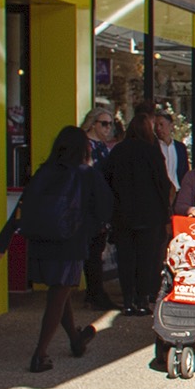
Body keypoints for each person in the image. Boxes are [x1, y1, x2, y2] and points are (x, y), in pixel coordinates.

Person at [0, 124, 113, 371]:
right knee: (58, 296)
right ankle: (40, 354)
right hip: (70, 243)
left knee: (60, 293)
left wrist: (2, 242)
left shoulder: (43, 172)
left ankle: (76, 340)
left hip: (40, 243)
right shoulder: (86, 174)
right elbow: (105, 207)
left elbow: (22, 208)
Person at [106, 107, 175, 314]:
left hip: (123, 215)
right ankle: (143, 300)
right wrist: (166, 212)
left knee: (126, 259)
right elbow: (162, 183)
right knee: (146, 259)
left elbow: (108, 181)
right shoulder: (152, 151)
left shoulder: (118, 151)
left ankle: (128, 300)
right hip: (149, 215)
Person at [81, 104, 122, 311]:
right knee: (92, 250)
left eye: (111, 124)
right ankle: (94, 293)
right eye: (104, 124)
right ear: (93, 123)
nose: (108, 128)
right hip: (89, 204)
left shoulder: (104, 147)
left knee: (97, 249)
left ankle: (94, 292)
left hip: (102, 202)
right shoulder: (85, 146)